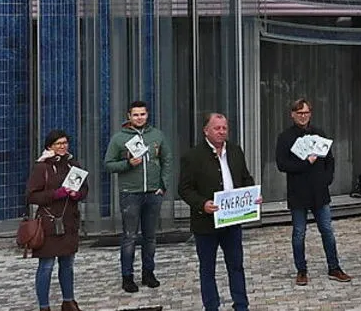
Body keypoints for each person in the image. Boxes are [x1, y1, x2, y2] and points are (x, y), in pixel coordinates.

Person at [179, 113, 256, 311]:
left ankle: (241, 305)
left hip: (232, 220)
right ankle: (211, 306)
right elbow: (185, 189)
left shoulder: (235, 151)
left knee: (236, 265)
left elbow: (245, 178)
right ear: (206, 130)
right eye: (217, 128)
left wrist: (252, 194)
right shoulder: (192, 156)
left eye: (224, 128)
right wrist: (202, 203)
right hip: (206, 223)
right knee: (207, 269)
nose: (222, 132)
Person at [275, 98, 352, 286]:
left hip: (319, 191)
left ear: (310, 114)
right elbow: (282, 164)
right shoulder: (285, 137)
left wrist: (327, 179)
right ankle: (301, 270)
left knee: (327, 231)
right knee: (299, 233)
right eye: (299, 113)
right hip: (298, 192)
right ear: (292, 114)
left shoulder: (319, 133)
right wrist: (304, 163)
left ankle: (334, 267)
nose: (303, 116)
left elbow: (330, 160)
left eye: (306, 113)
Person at [103, 100, 172, 293]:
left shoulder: (157, 135)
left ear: (147, 115)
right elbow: (108, 164)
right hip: (130, 194)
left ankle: (148, 273)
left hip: (153, 193)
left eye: (142, 114)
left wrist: (163, 185)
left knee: (150, 237)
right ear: (129, 116)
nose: (139, 118)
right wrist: (127, 164)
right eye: (135, 114)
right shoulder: (119, 138)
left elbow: (167, 160)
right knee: (129, 237)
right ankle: (127, 277)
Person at [26, 129, 88, 311]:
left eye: (64, 143)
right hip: (49, 222)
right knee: (46, 265)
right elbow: (31, 196)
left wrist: (77, 194)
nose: (62, 147)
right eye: (58, 144)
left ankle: (69, 301)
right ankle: (44, 306)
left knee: (67, 263)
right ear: (50, 146)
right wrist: (56, 194)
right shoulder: (42, 167)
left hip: (69, 220)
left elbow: (85, 188)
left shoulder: (72, 164)